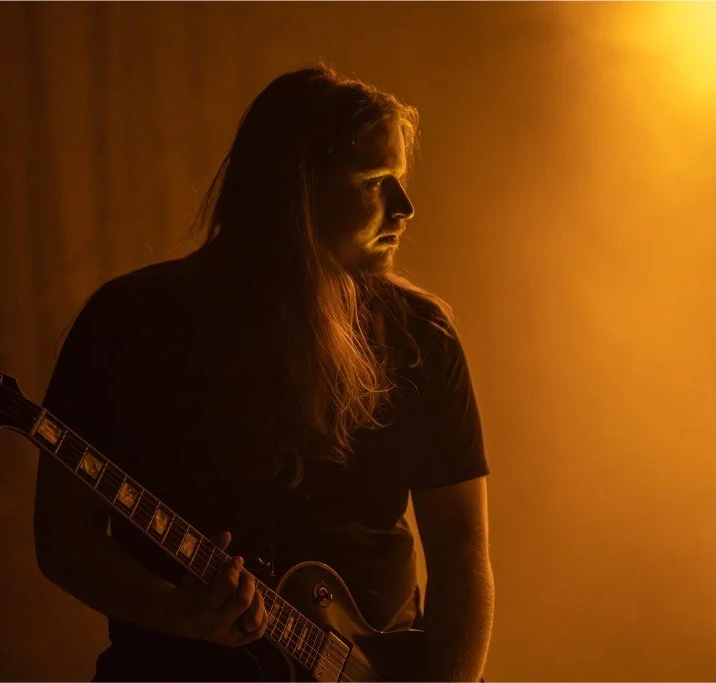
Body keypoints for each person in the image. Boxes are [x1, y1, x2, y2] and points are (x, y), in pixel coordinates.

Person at [34, 64, 494, 681]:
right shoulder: (131, 322)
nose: (405, 208)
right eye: (374, 180)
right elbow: (65, 538)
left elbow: (462, 545)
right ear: (296, 190)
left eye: (400, 181)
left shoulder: (421, 336)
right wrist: (175, 613)